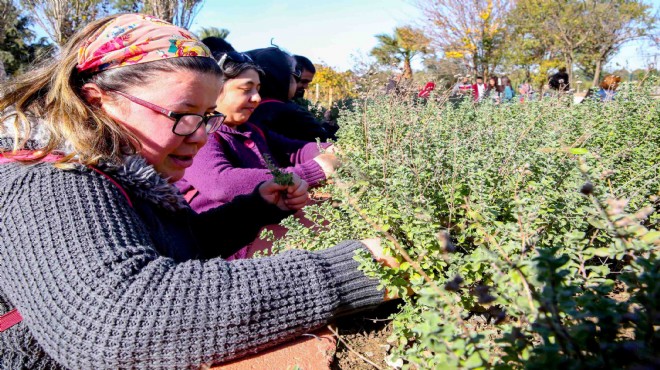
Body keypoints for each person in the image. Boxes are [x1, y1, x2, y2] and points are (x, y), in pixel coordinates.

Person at [0, 14, 394, 369]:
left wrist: (253, 209)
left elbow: (178, 246)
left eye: (208, 117)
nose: (203, 136)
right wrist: (362, 265)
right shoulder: (47, 182)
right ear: (100, 103)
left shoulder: (125, 174)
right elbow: (116, 321)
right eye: (185, 115)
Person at [175, 51, 338, 212]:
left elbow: (296, 150)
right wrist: (315, 170)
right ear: (215, 90)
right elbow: (221, 183)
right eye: (246, 89)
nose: (257, 98)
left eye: (258, 89)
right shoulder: (201, 133)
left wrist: (333, 150)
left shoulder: (251, 130)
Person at [247, 47, 337, 142]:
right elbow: (325, 142)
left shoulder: (250, 109)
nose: (297, 80)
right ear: (282, 76)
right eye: (296, 73)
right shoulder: (291, 113)